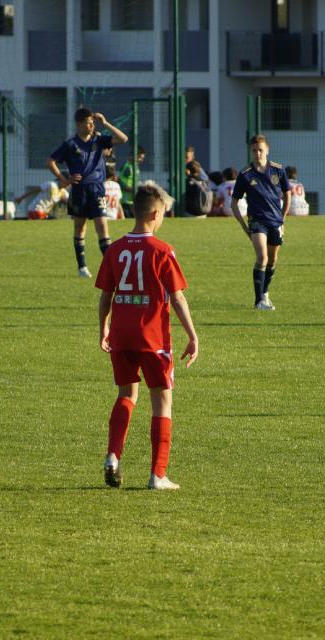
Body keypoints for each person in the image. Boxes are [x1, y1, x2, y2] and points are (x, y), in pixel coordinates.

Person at [95, 182, 199, 490]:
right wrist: (192, 335)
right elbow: (177, 297)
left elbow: (105, 296)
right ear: (155, 214)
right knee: (162, 401)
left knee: (126, 395)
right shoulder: (163, 251)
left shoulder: (114, 249)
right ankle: (158, 474)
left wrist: (104, 328)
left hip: (121, 336)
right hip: (153, 338)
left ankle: (113, 456)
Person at [46, 107, 128, 278]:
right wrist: (64, 180)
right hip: (79, 190)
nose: (92, 125)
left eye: (93, 122)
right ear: (79, 124)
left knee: (102, 226)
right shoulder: (70, 144)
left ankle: (112, 269)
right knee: (80, 227)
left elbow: (123, 139)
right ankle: (82, 267)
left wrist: (105, 123)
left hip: (97, 189)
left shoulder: (99, 140)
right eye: (88, 123)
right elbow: (50, 161)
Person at [231, 135, 291, 310]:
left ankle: (264, 293)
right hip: (257, 222)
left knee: (272, 260)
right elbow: (234, 203)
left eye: (260, 150)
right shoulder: (245, 174)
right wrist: (244, 225)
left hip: (275, 221)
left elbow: (287, 193)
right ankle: (259, 301)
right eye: (254, 150)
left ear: (267, 150)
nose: (257, 153)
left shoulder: (278, 170)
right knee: (262, 257)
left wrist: (283, 218)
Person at [119, 146, 145, 218]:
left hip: (132, 200)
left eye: (142, 158)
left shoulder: (136, 167)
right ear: (133, 156)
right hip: (125, 201)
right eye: (140, 157)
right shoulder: (127, 167)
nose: (141, 160)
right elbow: (122, 183)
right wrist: (135, 190)